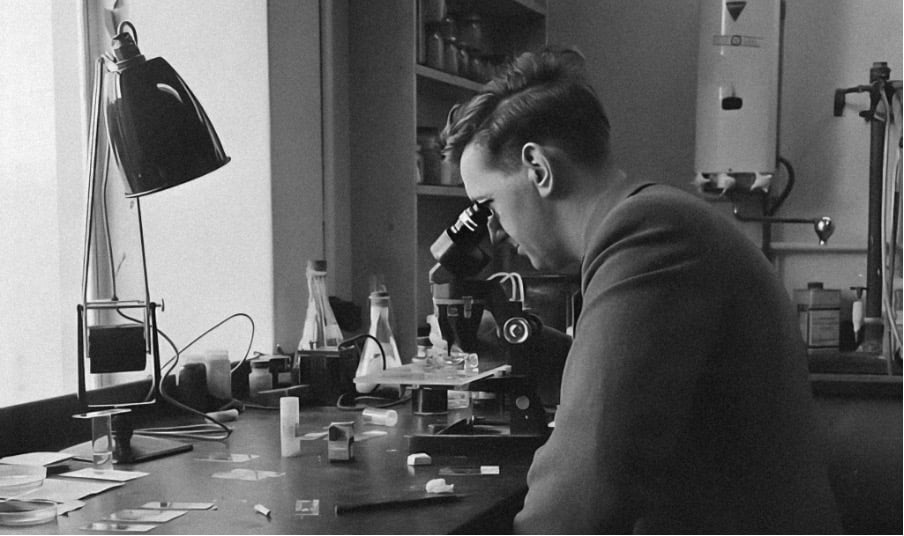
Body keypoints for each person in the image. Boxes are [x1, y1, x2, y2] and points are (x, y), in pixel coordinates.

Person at [440, 48, 841, 534]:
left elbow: (587, 486)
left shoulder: (647, 233)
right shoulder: (662, 220)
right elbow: (629, 383)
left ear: (539, 169)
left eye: (488, 206)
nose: (495, 231)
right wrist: (515, 341)